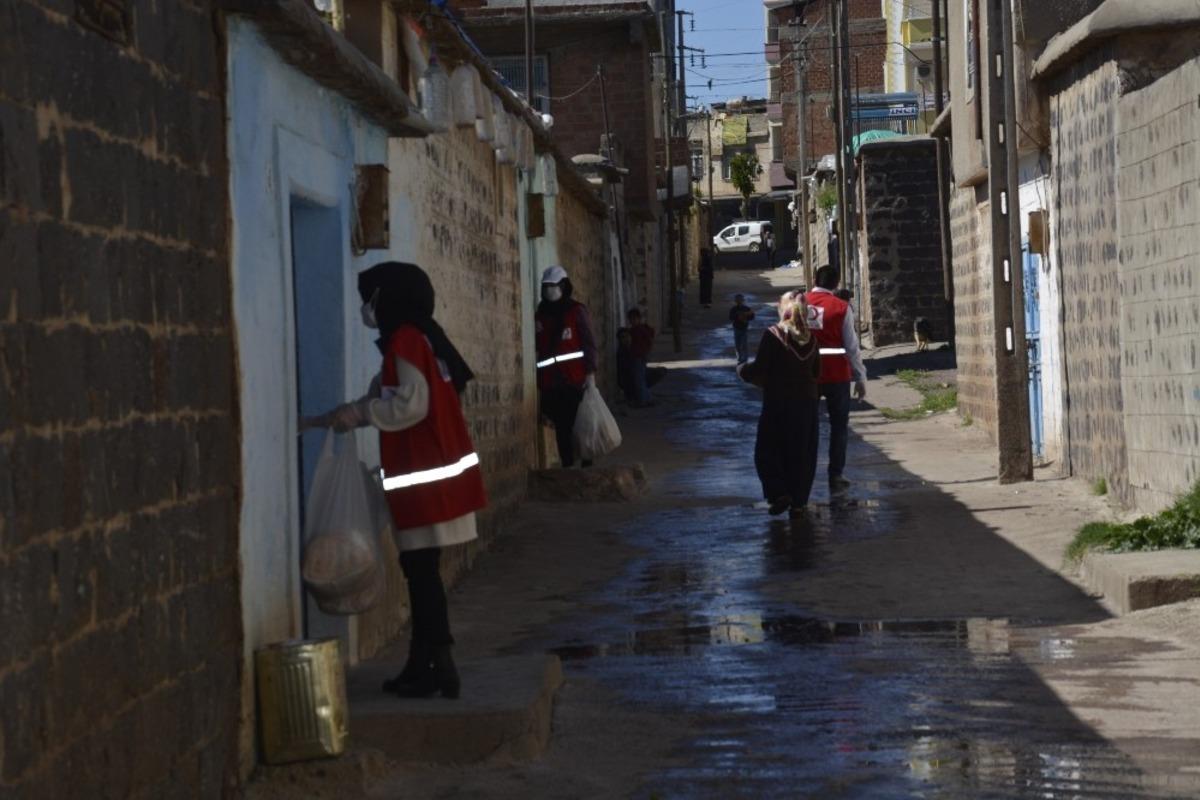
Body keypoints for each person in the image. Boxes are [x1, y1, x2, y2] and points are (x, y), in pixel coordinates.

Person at [303, 261, 486, 700]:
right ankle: (423, 665)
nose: (368, 309)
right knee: (423, 573)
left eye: (373, 298)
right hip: (438, 478)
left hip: (424, 481)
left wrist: (364, 413)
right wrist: (350, 412)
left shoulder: (406, 340)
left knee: (422, 576)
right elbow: (387, 394)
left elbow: (410, 405)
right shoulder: (423, 338)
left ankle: (439, 665)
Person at [738, 291, 821, 516]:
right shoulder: (812, 339)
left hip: (779, 403)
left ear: (783, 311)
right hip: (806, 404)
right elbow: (816, 372)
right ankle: (799, 500)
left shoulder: (773, 335)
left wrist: (743, 371)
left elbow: (760, 368)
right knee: (802, 453)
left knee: (768, 450)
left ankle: (778, 492)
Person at [805, 266, 868, 491]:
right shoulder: (841, 308)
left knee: (806, 427)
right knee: (839, 427)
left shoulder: (798, 304)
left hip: (807, 375)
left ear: (814, 279)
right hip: (836, 374)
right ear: (837, 283)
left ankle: (804, 475)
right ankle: (835, 475)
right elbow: (852, 346)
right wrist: (860, 377)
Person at [535, 265, 598, 467]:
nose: (550, 290)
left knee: (578, 423)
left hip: (574, 379)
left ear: (564, 286)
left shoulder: (576, 311)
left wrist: (590, 373)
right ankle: (568, 464)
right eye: (546, 287)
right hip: (550, 382)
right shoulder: (541, 314)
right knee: (561, 427)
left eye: (554, 286)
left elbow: (588, 342)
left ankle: (586, 462)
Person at [626, 307, 656, 407]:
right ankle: (648, 398)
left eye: (634, 319)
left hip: (639, 356)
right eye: (631, 319)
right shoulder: (635, 330)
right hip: (638, 356)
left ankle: (643, 401)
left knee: (639, 379)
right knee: (640, 378)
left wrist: (645, 352)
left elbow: (648, 341)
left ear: (639, 319)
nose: (632, 321)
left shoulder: (639, 330)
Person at [728, 293, 756, 365]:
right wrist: (738, 315)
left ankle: (744, 359)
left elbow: (752, 317)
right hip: (737, 328)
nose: (739, 301)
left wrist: (748, 314)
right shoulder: (733, 309)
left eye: (740, 300)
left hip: (744, 328)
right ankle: (740, 358)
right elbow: (731, 318)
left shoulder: (746, 308)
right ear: (736, 301)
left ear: (742, 300)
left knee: (744, 344)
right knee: (738, 344)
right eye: (738, 300)